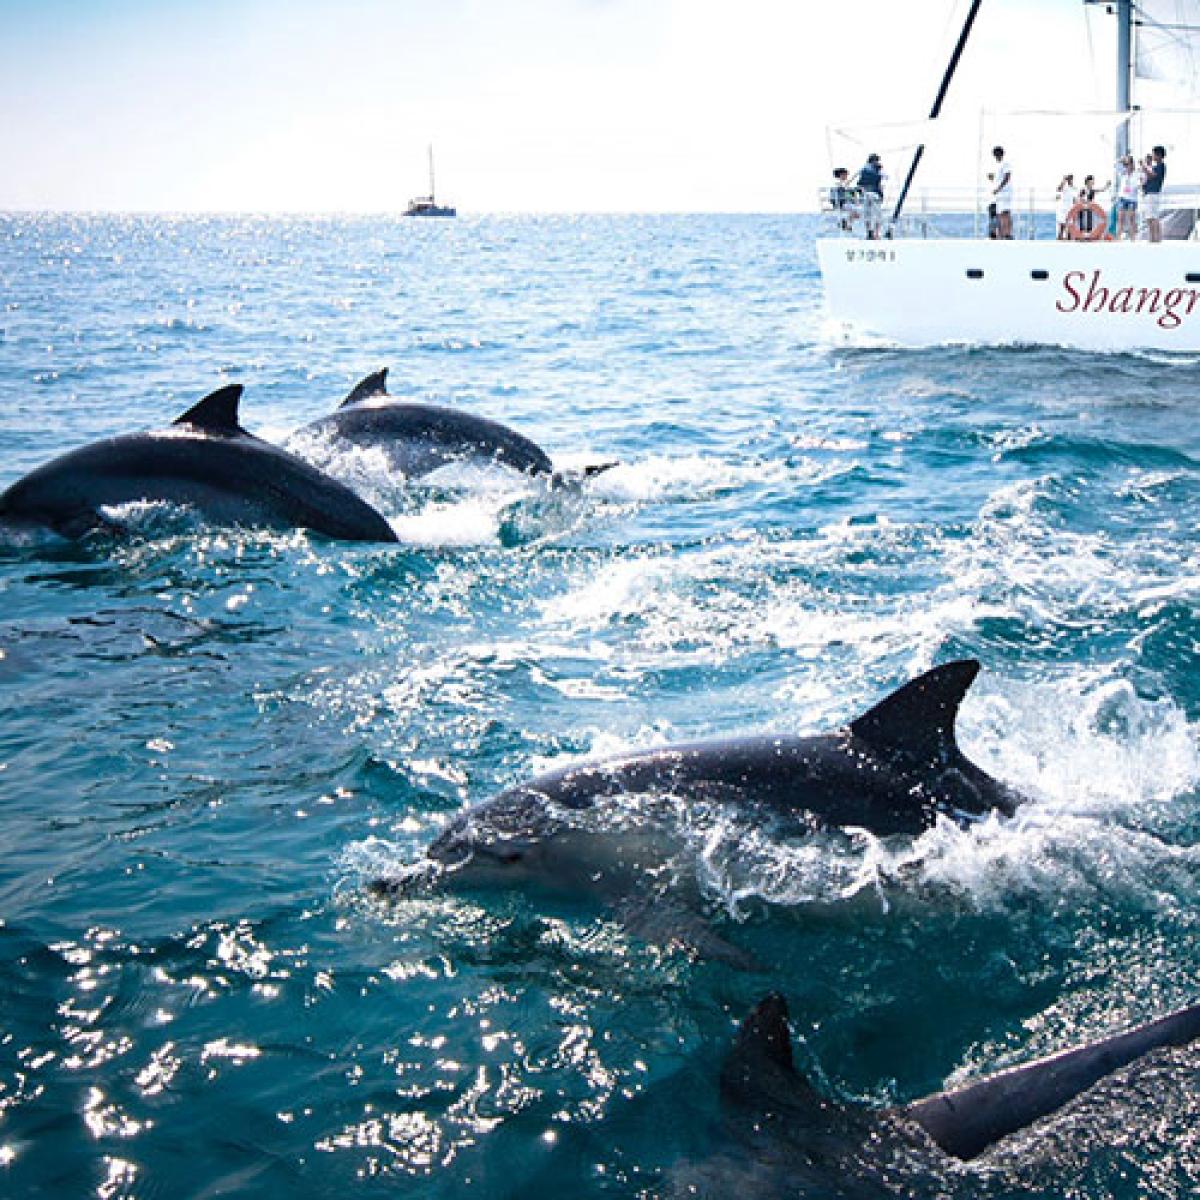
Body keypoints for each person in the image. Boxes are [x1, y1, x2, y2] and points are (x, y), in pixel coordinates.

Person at [855, 153, 885, 240]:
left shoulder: (864, 170)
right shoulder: (877, 170)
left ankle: (869, 232)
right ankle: (875, 233)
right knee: (877, 215)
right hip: (874, 194)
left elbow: (860, 184)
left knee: (867, 214)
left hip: (866, 194)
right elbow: (881, 182)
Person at [1142, 144, 1167, 243]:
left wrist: (1145, 168)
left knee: (1154, 217)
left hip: (1154, 194)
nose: (1152, 156)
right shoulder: (1155, 166)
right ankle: (1152, 239)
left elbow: (1153, 176)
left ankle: (1157, 239)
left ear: (1159, 155)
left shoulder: (1161, 166)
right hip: (1149, 194)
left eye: (1154, 154)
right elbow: (1148, 179)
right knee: (1149, 218)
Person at [1114, 153, 1141, 240]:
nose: (1126, 166)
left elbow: (1139, 185)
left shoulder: (1137, 174)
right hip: (1122, 198)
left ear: (1132, 164)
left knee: (1131, 219)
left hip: (1132, 199)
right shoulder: (1123, 173)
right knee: (1120, 219)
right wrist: (1122, 160)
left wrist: (1138, 185)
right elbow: (1115, 165)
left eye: (1128, 164)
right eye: (1125, 164)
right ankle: (1118, 239)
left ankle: (1133, 239)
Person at [991, 146, 1013, 239]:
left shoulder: (1005, 164)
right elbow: (999, 178)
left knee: (1005, 213)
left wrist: (999, 188)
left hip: (1004, 192)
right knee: (1000, 214)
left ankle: (1007, 234)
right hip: (999, 193)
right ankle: (1002, 234)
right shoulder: (998, 165)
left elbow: (1007, 177)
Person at [829, 167, 859, 231]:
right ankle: (846, 224)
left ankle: (845, 223)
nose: (846, 176)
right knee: (857, 211)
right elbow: (846, 192)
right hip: (841, 204)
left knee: (856, 212)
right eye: (845, 175)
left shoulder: (838, 183)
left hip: (840, 203)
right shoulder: (839, 183)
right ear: (841, 175)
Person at [1055, 173, 1077, 240]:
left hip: (1071, 209)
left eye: (1071, 178)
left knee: (1070, 227)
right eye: (1069, 178)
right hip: (1064, 209)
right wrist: (1063, 180)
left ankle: (1069, 242)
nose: (1070, 180)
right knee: (1062, 226)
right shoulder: (1065, 187)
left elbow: (1075, 199)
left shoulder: (1074, 188)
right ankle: (1059, 241)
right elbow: (1058, 189)